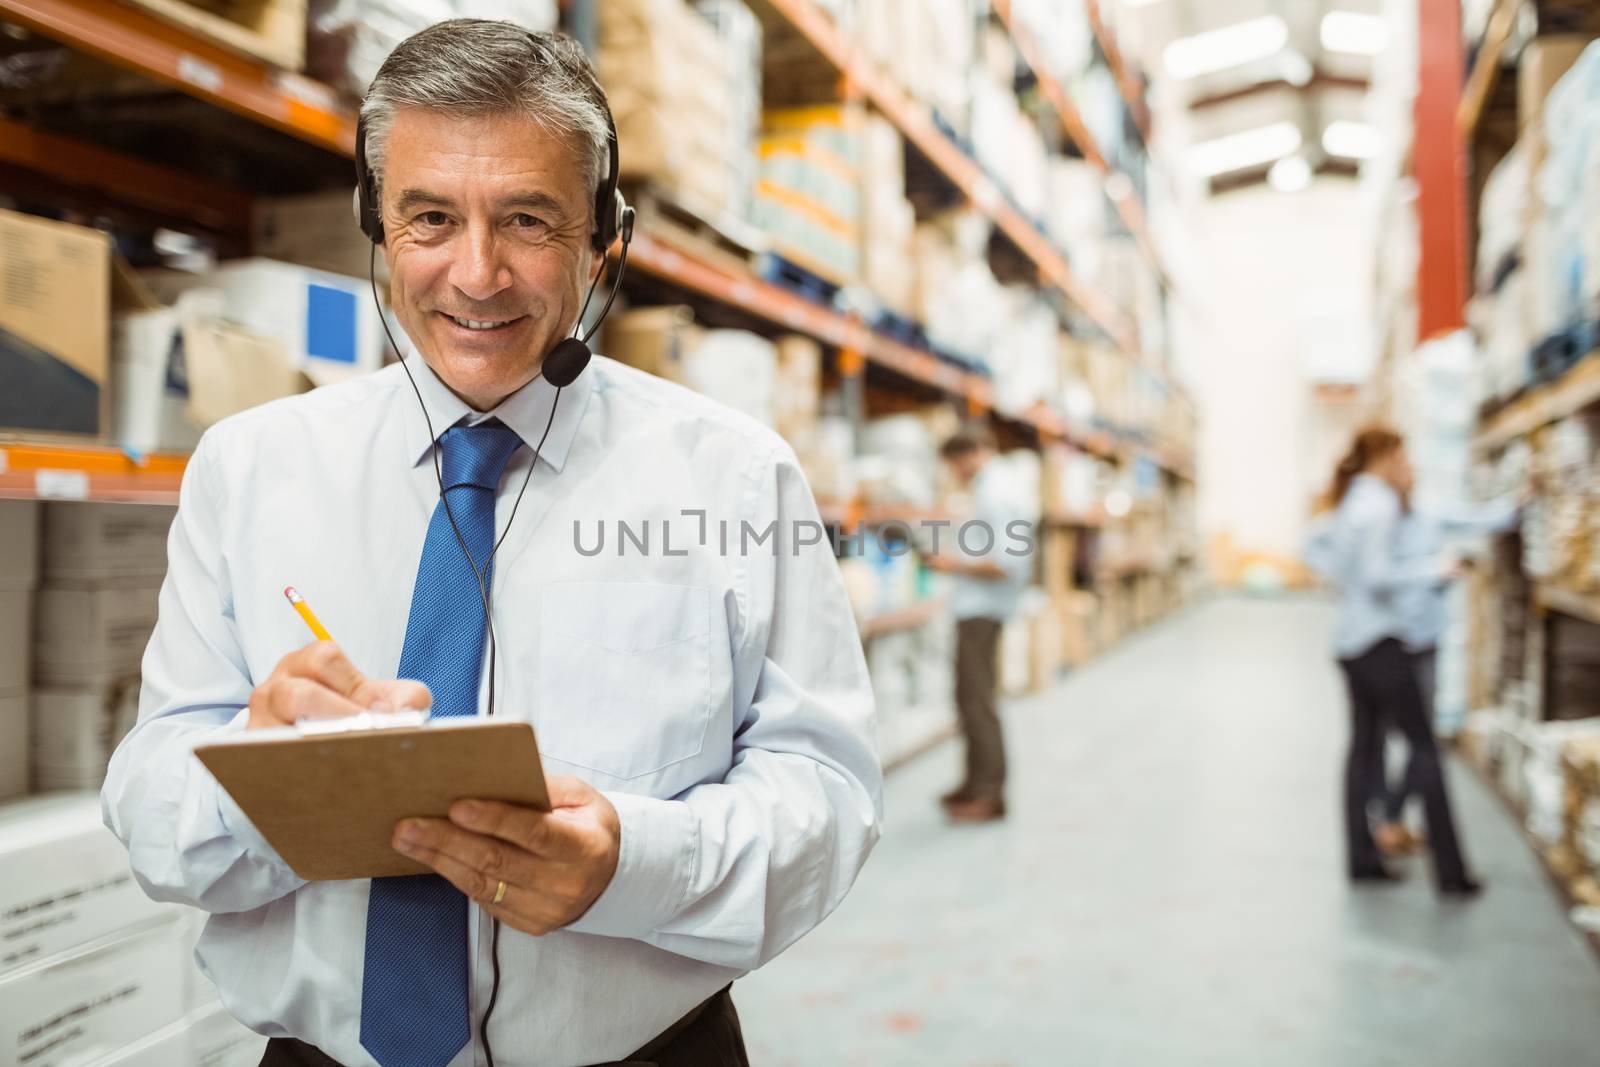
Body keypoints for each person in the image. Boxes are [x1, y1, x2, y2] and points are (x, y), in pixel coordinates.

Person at [101, 21, 882, 1067]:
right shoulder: (251, 469)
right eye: (430, 218)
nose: (476, 274)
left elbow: (824, 794)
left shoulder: (732, 476)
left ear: (605, 236)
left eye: (526, 219)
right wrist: (250, 775)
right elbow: (151, 805)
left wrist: (631, 864)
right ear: (375, 224)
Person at [1318, 427, 1481, 896]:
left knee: (1363, 750)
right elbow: (1378, 578)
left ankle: (1362, 861)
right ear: (1387, 456)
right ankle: (1452, 875)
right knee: (1425, 747)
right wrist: (1436, 569)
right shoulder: (1380, 505)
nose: (1409, 468)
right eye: (1405, 458)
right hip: (1380, 641)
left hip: (1350, 642)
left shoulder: (1352, 502)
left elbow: (1336, 566)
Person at [925, 428, 1033, 824]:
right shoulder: (997, 486)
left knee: (978, 702)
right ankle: (974, 783)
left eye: (954, 464)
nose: (955, 473)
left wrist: (949, 562)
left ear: (969, 455)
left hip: (983, 611)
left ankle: (988, 794)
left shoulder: (997, 492)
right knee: (968, 699)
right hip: (978, 609)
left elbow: (1007, 563)